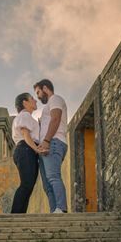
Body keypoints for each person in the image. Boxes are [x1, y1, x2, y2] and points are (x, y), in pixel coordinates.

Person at [34, 79, 68, 214]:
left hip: (53, 142)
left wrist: (47, 140)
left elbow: (56, 119)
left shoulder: (55, 99)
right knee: (47, 185)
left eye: (38, 92)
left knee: (53, 177)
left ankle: (61, 208)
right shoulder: (48, 106)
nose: (37, 96)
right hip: (46, 145)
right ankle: (54, 211)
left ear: (45, 88)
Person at [10, 92, 41, 213]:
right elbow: (26, 134)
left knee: (28, 186)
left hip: (26, 150)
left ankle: (20, 215)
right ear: (25, 102)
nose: (36, 101)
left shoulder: (27, 117)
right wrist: (36, 149)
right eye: (32, 99)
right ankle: (15, 215)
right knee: (26, 184)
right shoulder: (25, 116)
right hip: (26, 149)